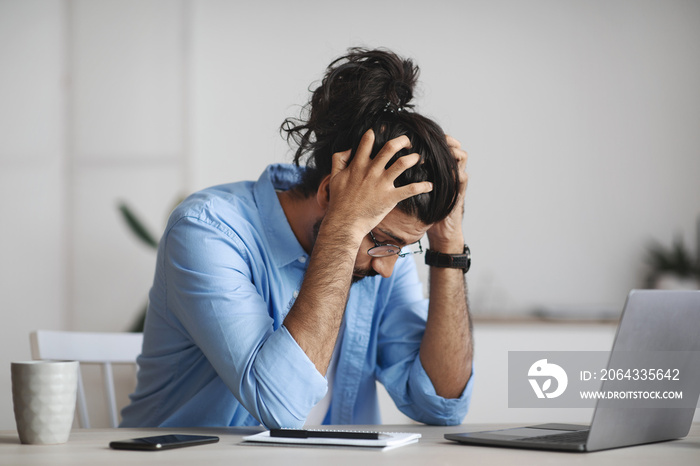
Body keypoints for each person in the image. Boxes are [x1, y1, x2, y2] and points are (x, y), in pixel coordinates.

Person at [120, 48, 473, 429]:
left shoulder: (380, 250)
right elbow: (280, 408)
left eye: (401, 249)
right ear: (328, 194)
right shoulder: (207, 231)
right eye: (383, 241)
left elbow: (441, 405)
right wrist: (343, 229)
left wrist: (447, 243)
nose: (388, 268)